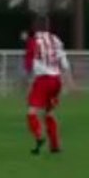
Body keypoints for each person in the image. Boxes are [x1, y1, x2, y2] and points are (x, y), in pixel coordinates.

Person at [24, 17, 75, 154]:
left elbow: (29, 64)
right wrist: (70, 82)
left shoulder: (32, 41)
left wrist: (27, 80)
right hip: (56, 81)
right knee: (49, 112)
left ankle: (39, 136)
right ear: (47, 26)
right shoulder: (55, 39)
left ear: (34, 27)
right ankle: (55, 146)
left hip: (43, 81)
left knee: (31, 112)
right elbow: (64, 61)